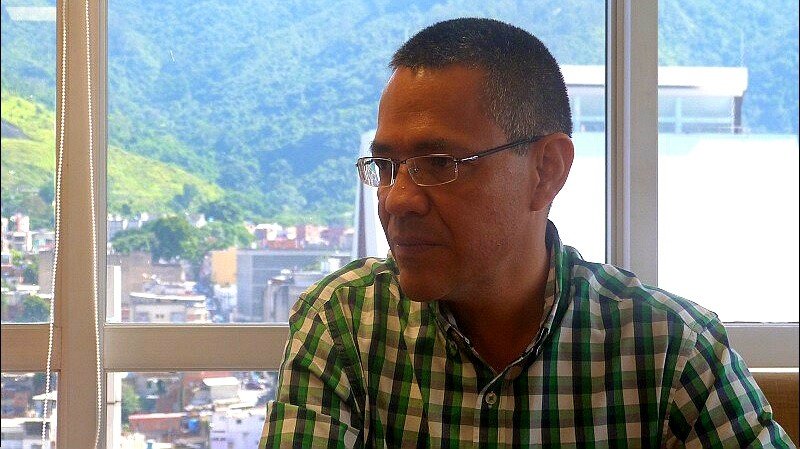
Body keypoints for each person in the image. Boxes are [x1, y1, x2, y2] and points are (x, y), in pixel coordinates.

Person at [260, 18, 794, 448]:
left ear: (546, 171)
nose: (397, 199)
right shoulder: (347, 324)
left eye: (439, 163)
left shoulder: (666, 348)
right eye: (385, 166)